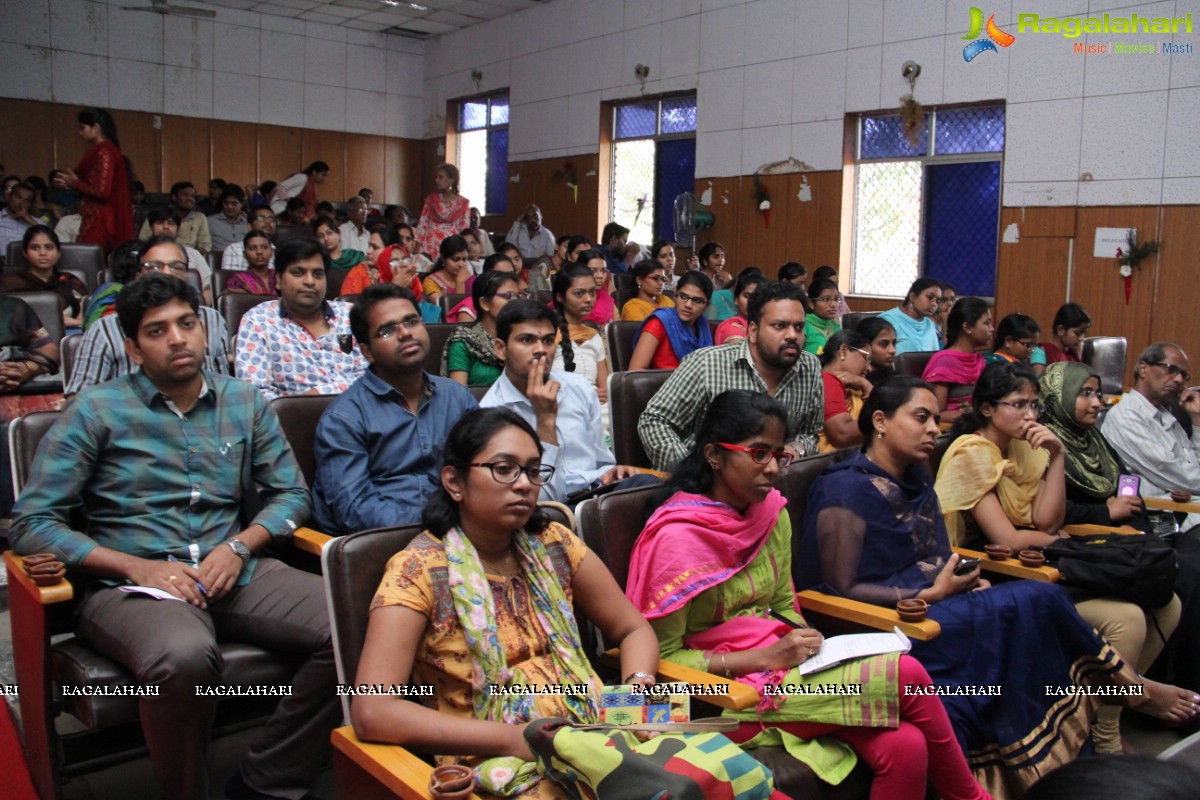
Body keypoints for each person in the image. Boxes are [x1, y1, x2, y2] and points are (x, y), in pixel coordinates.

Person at [12, 273, 339, 800]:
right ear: (133, 349)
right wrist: (134, 567)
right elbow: (32, 524)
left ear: (205, 331)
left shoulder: (243, 400)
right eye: (157, 330)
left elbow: (291, 496)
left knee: (357, 619)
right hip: (132, 586)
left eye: (187, 324)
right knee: (183, 656)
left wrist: (241, 545)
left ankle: (268, 777)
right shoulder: (97, 410)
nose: (178, 339)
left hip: (234, 569)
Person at [799, 376, 1200, 796]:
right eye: (921, 418)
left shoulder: (915, 477)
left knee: (1025, 617)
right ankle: (1128, 688)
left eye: (936, 419)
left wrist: (961, 581)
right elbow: (837, 590)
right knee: (1036, 599)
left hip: (937, 609)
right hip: (887, 628)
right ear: (879, 421)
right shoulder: (845, 488)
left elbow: (936, 556)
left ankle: (1084, 739)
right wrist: (928, 595)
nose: (935, 429)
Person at [627, 390, 989, 800]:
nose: (773, 470)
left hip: (783, 677)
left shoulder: (769, 512)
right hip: (719, 697)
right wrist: (762, 658)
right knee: (907, 674)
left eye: (779, 455)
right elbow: (664, 658)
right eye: (758, 454)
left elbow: (784, 606)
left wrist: (813, 647)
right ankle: (971, 797)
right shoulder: (676, 538)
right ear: (714, 454)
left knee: (906, 746)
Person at [350, 406, 660, 796]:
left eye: (533, 470)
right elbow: (373, 709)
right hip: (497, 760)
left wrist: (633, 694)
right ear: (454, 482)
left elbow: (632, 629)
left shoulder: (554, 544)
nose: (524, 484)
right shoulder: (419, 570)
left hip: (601, 725)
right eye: (504, 468)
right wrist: (512, 739)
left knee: (711, 773)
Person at [935, 361, 1183, 752]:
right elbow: (1008, 537)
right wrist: (1053, 537)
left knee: (1168, 605)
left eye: (1035, 406)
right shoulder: (971, 454)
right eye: (1018, 405)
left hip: (1042, 561)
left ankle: (1098, 715)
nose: (1030, 416)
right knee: (1128, 619)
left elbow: (1047, 522)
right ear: (987, 408)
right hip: (1001, 573)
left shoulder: (1025, 449)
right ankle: (1106, 734)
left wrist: (1058, 454)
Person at [312, 284, 477, 534]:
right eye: (387, 331)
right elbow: (355, 510)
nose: (405, 334)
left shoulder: (456, 397)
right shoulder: (344, 418)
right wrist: (443, 522)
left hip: (461, 533)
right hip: (385, 545)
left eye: (412, 322)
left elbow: (485, 466)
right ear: (367, 351)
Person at [638, 281, 823, 470]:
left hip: (774, 483)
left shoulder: (810, 368)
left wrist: (797, 449)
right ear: (753, 331)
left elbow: (810, 433)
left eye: (799, 327)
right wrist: (694, 473)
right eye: (779, 326)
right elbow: (654, 421)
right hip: (704, 488)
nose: (792, 335)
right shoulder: (707, 364)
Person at [482, 300, 651, 503]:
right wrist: (545, 419)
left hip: (596, 493)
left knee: (653, 488)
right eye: (527, 340)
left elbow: (601, 461)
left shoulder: (577, 387)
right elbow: (535, 498)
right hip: (549, 510)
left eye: (547, 340)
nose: (540, 350)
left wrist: (613, 472)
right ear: (501, 349)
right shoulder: (491, 412)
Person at [67, 237, 229, 396]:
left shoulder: (211, 319)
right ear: (139, 275)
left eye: (176, 267)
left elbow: (223, 384)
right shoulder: (104, 329)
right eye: (154, 267)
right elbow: (79, 398)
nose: (166, 273)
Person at [235, 237, 367, 402]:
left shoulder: (349, 315)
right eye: (298, 273)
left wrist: (315, 396)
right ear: (277, 280)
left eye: (318, 274)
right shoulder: (258, 320)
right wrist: (304, 408)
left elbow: (372, 376)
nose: (310, 281)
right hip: (291, 424)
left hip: (362, 417)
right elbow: (255, 393)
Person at [1101, 342, 1200, 507]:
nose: (1179, 379)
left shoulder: (1165, 415)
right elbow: (1174, 475)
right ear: (1143, 369)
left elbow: (1194, 466)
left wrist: (1197, 419)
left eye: (1184, 375)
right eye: (1171, 369)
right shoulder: (1126, 416)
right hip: (1163, 518)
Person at [59, 108, 134, 254]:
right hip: (95, 215)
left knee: (90, 258)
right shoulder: (103, 151)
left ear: (96, 127)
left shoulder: (104, 152)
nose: (80, 132)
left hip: (101, 219)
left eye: (83, 127)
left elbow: (102, 191)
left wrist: (74, 183)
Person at [441, 270, 519, 388]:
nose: (515, 302)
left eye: (517, 297)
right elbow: (458, 396)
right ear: (485, 304)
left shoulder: (520, 340)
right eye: (508, 296)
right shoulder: (464, 342)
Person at [0, 225, 87, 329]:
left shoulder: (70, 281)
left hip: (69, 336)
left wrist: (70, 322)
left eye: (48, 247)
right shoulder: (10, 283)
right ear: (25, 253)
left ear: (58, 253)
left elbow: (85, 319)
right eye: (35, 248)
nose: (42, 253)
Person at [550, 263, 609, 412]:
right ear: (560, 297)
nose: (588, 299)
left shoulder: (594, 337)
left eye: (592, 292)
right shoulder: (547, 337)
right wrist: (586, 395)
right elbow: (540, 388)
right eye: (579, 293)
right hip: (560, 410)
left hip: (596, 409)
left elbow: (604, 391)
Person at [922, 296, 992, 418]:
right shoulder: (944, 362)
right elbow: (935, 415)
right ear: (967, 328)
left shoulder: (979, 360)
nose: (992, 329)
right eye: (986, 323)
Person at [627, 271, 713, 371]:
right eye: (683, 297)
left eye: (697, 300)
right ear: (675, 296)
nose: (688, 305)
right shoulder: (659, 322)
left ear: (706, 305)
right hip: (661, 385)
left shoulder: (703, 326)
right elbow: (635, 371)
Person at [818, 329, 873, 452]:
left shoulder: (857, 389)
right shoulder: (826, 380)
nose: (869, 368)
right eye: (866, 357)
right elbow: (843, 435)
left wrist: (866, 386)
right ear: (843, 351)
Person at [145, 207, 213, 304]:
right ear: (151, 227)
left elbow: (208, 286)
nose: (165, 227)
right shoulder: (144, 253)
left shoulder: (193, 254)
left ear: (178, 229)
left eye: (171, 223)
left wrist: (201, 307)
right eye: (159, 223)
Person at [138, 181, 212, 255]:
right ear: (174, 197)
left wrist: (193, 256)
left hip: (190, 256)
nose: (190, 199)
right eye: (185, 195)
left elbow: (205, 245)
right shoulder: (157, 214)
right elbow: (143, 240)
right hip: (159, 253)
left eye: (193, 196)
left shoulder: (199, 217)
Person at [416, 163, 470, 259]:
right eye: (436, 176)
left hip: (452, 248)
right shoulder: (431, 200)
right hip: (429, 247)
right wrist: (416, 249)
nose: (436, 180)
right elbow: (422, 226)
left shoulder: (462, 204)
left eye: (440, 177)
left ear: (451, 180)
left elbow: (464, 230)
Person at [879, 278, 942, 355]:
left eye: (937, 301)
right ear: (912, 297)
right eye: (929, 297)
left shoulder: (929, 324)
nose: (934, 304)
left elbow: (934, 356)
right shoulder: (888, 320)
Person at [339, 241, 422, 299]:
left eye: (406, 259)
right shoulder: (374, 293)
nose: (402, 264)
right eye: (394, 261)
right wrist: (395, 288)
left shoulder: (415, 284)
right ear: (384, 267)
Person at [713, 268, 763, 345]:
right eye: (747, 296)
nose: (752, 301)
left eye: (758, 297)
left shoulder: (764, 326)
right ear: (736, 300)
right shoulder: (732, 328)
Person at [421, 234, 472, 307]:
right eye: (455, 259)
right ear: (443, 259)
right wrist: (460, 283)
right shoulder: (431, 282)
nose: (461, 264)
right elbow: (446, 311)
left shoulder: (469, 278)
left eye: (464, 259)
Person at [221, 206, 277, 271]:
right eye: (261, 218)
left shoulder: (278, 252)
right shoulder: (234, 250)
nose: (267, 222)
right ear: (250, 226)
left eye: (271, 219)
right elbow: (230, 279)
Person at [619, 258, 675, 322]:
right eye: (655, 278)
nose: (661, 283)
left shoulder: (666, 301)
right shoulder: (632, 307)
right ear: (639, 280)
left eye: (663, 279)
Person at [223, 230, 276, 295]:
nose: (259, 252)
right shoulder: (237, 280)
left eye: (264, 247)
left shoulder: (279, 277)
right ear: (245, 254)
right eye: (252, 248)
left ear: (272, 252)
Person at [802, 278, 842, 356]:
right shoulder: (803, 326)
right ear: (811, 304)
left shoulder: (836, 328)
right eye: (826, 299)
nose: (833, 304)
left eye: (836, 299)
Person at [857, 316, 897, 388]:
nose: (892, 350)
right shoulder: (854, 381)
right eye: (883, 344)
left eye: (894, 343)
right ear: (864, 346)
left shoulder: (896, 378)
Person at [206, 186, 248, 252]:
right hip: (219, 260)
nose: (229, 206)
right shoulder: (210, 221)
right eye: (226, 203)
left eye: (234, 203)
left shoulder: (247, 223)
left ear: (241, 204)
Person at [0, 180, 37, 251]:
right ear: (9, 196)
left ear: (31, 205)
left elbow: (50, 243)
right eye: (17, 197)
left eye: (26, 201)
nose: (21, 203)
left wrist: (32, 222)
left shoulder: (37, 223)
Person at [931, 281, 957, 347]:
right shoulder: (927, 325)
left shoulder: (954, 322)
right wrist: (945, 321)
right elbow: (943, 349)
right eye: (944, 300)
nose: (950, 303)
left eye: (952, 299)